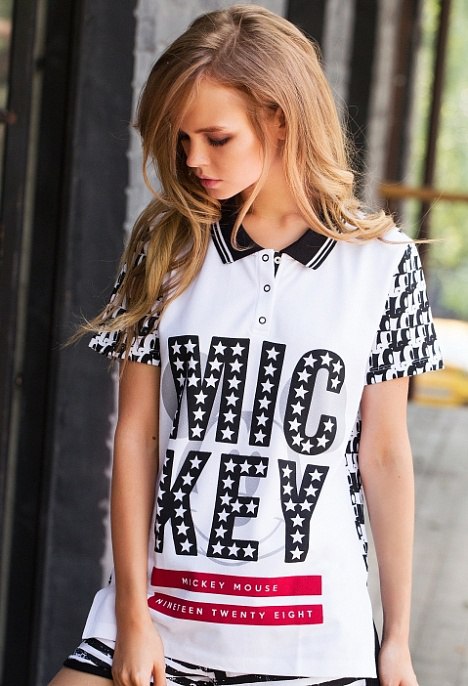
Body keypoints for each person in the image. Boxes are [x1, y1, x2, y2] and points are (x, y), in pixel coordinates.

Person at [49, 5, 443, 686]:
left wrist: (398, 639)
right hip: (161, 617)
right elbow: (137, 435)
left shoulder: (382, 263)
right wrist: (134, 616)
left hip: (310, 642)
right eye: (181, 140)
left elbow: (384, 453)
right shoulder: (167, 247)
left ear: (280, 119)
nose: (193, 160)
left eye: (216, 137)